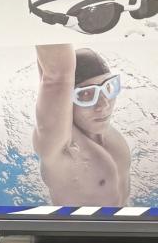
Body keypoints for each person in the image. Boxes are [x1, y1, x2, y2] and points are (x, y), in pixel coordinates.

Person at [33, 44, 129, 206]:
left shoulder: (109, 135)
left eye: (108, 87)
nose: (104, 105)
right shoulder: (61, 149)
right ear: (66, 101)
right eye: (86, 94)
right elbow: (55, 79)